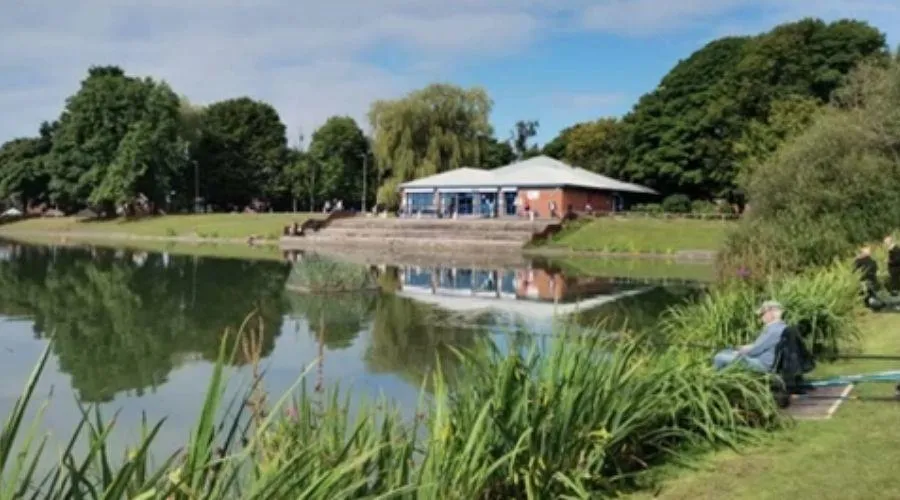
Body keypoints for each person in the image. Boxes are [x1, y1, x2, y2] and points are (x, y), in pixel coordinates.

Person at [713, 300, 787, 372]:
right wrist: (741, 348)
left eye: (762, 314)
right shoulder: (779, 327)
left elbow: (755, 350)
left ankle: (716, 381)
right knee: (726, 351)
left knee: (719, 357)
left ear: (770, 313)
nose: (760, 317)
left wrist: (739, 352)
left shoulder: (773, 330)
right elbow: (759, 345)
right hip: (761, 360)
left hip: (762, 364)